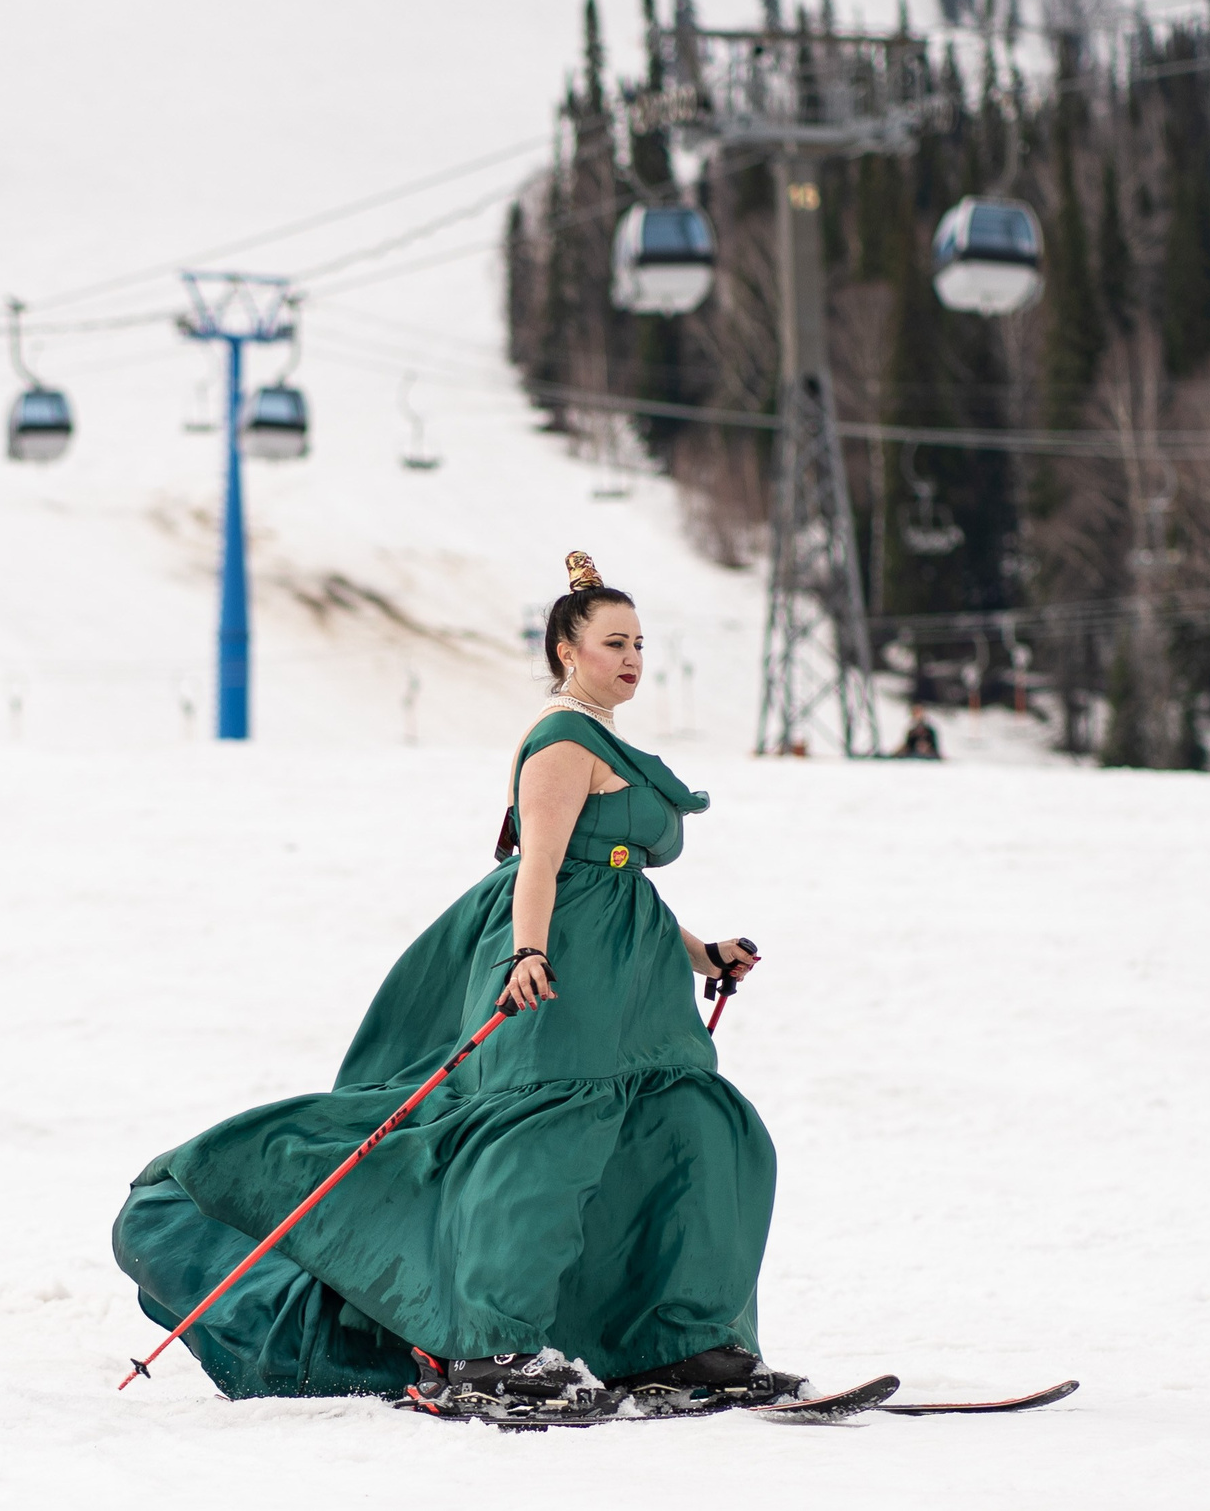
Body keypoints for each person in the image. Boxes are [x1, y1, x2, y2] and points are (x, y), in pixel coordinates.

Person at [113, 552, 783, 1420]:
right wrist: (527, 954)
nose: (632, 658)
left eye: (639, 643)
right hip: (563, 971)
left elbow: (617, 882)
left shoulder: (608, 742)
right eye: (614, 642)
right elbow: (540, 867)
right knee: (545, 1142)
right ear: (567, 650)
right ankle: (492, 1343)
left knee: (688, 1129)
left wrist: (703, 954)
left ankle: (678, 1338)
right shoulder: (561, 741)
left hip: (637, 979)